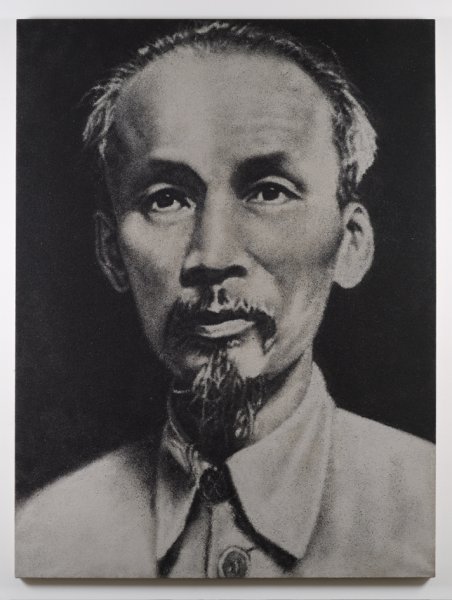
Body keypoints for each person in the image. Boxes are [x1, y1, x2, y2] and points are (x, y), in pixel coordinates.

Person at [15, 21, 434, 578]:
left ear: (350, 244)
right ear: (112, 253)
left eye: (269, 192)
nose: (211, 255)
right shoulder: (37, 543)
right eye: (167, 199)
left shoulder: (435, 515)